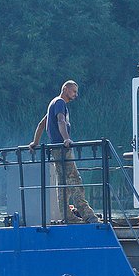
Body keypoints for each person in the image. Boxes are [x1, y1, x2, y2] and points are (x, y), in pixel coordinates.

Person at [30, 80, 96, 224]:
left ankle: (68, 216)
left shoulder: (53, 103)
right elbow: (61, 121)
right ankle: (88, 215)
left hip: (56, 150)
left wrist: (35, 142)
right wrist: (66, 139)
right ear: (65, 89)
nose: (76, 95)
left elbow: (42, 124)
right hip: (62, 149)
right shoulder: (60, 103)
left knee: (63, 183)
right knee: (74, 179)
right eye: (74, 91)